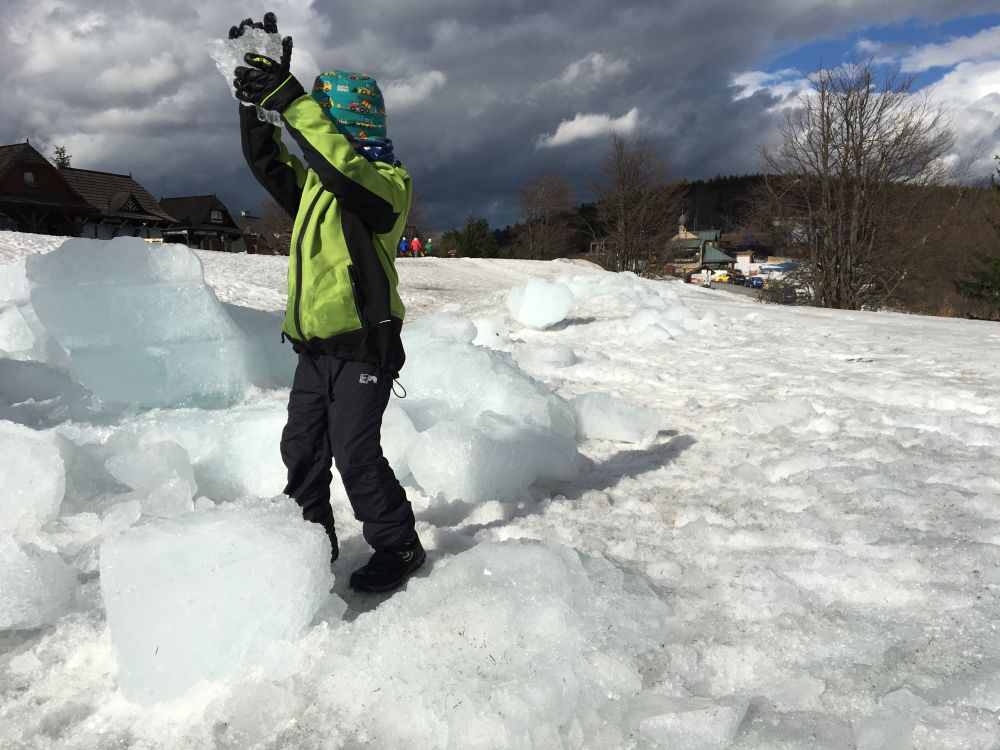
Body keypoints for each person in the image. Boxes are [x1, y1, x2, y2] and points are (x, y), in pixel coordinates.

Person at [230, 12, 424, 593]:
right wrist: (256, 104)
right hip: (313, 351)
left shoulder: (385, 185)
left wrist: (292, 101)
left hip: (365, 349)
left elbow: (342, 166)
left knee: (355, 455)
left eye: (321, 117)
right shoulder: (318, 186)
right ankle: (311, 542)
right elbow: (270, 163)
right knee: (302, 448)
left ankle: (400, 545)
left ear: (345, 123)